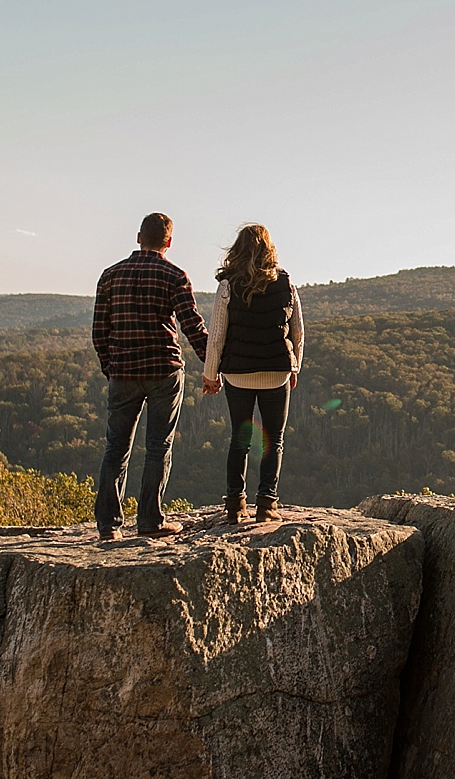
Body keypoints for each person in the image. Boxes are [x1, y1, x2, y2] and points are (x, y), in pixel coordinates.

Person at [91, 212, 210, 541]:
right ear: (169, 242)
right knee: (158, 446)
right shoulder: (174, 275)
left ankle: (108, 526)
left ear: (139, 237)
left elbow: (99, 331)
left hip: (123, 371)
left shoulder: (110, 276)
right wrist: (212, 366)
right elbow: (193, 328)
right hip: (163, 370)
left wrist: (110, 366)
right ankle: (150, 521)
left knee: (116, 447)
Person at [200, 224, 303, 526]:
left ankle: (235, 505)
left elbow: (217, 334)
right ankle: (267, 505)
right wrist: (294, 366)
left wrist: (210, 374)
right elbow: (297, 332)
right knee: (274, 439)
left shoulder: (228, 286)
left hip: (238, 375)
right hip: (276, 373)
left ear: (238, 249)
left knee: (240, 439)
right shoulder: (286, 284)